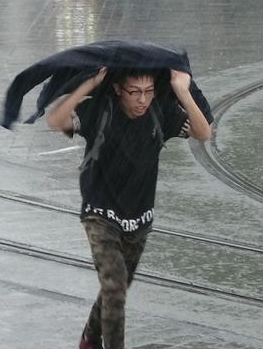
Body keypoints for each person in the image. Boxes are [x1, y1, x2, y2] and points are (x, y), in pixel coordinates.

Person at [46, 67, 212, 349]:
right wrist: (89, 84)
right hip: (100, 213)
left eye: (148, 92)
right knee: (114, 288)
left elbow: (203, 132)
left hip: (139, 218)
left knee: (117, 289)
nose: (142, 100)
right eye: (134, 92)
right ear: (117, 89)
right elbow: (56, 120)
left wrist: (182, 91)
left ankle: (89, 337)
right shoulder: (100, 111)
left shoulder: (161, 113)